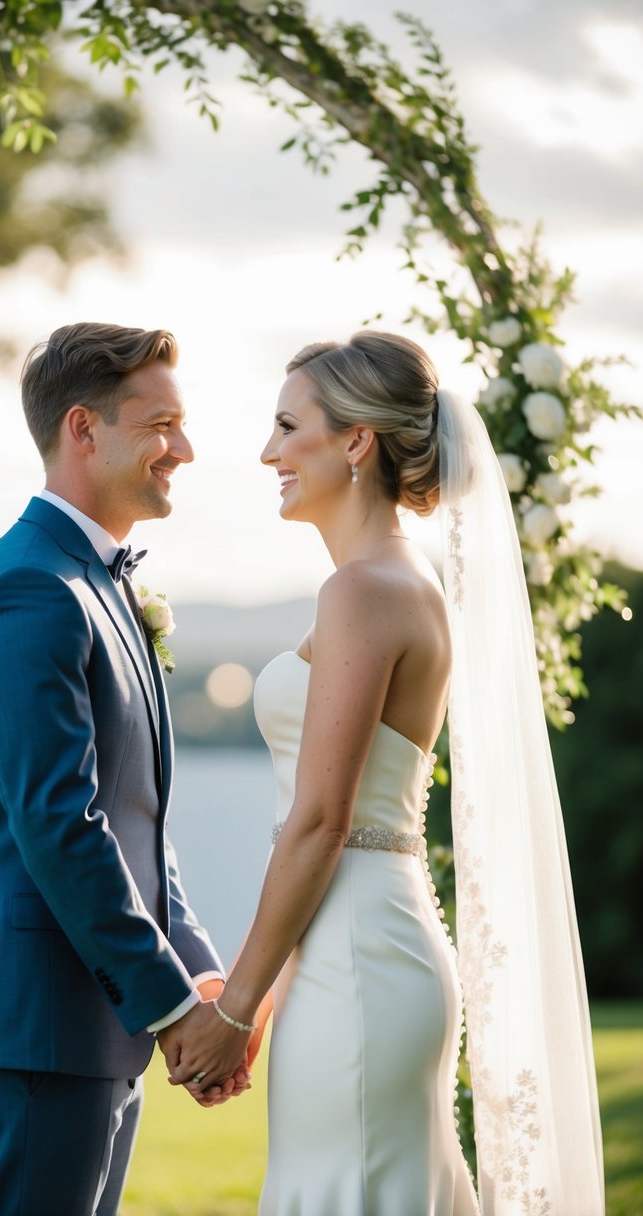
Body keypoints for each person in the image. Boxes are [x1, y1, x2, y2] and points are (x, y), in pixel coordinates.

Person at [164, 330, 604, 1214]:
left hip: (359, 959)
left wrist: (236, 1008)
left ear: (355, 440)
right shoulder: (394, 581)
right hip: (352, 948)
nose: (267, 452)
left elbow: (323, 821)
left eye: (288, 427)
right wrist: (271, 987)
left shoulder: (364, 592)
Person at [0, 321, 246, 1216]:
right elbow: (61, 826)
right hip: (33, 1022)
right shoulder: (30, 589)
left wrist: (198, 973)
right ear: (83, 429)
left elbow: (135, 812)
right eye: (160, 424)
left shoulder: (97, 582)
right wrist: (172, 1010)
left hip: (91, 1026)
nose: (183, 449)